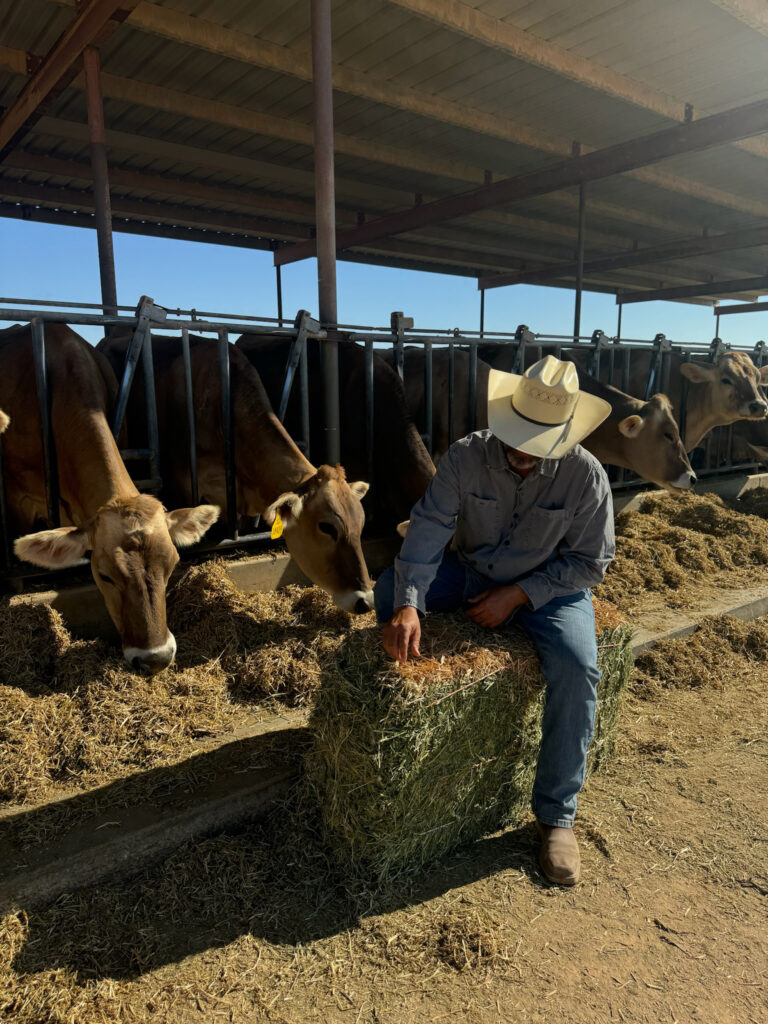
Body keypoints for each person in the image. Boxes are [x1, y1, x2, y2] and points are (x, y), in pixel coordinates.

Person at [375, 355, 615, 886]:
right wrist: (410, 602)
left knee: (579, 668)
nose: (524, 454)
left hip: (549, 587)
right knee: (389, 589)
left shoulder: (586, 476)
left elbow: (590, 563)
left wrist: (519, 594)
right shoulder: (467, 455)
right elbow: (431, 524)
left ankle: (557, 817)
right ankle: (386, 712)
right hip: (469, 569)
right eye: (517, 438)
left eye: (539, 445)